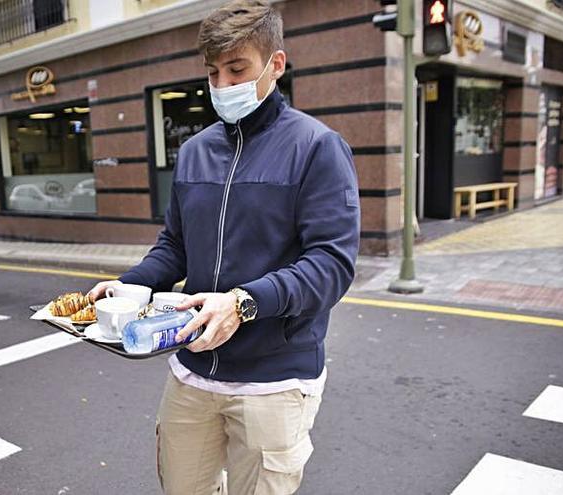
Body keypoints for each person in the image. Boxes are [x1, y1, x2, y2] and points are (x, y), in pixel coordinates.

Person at [88, 1, 360, 493]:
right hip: (191, 367)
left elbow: (331, 264)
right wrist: (128, 286)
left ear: (275, 64)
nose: (223, 85)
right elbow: (174, 247)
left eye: (238, 70)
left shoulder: (317, 147)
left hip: (273, 380)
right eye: (213, 73)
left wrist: (243, 302)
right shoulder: (194, 152)